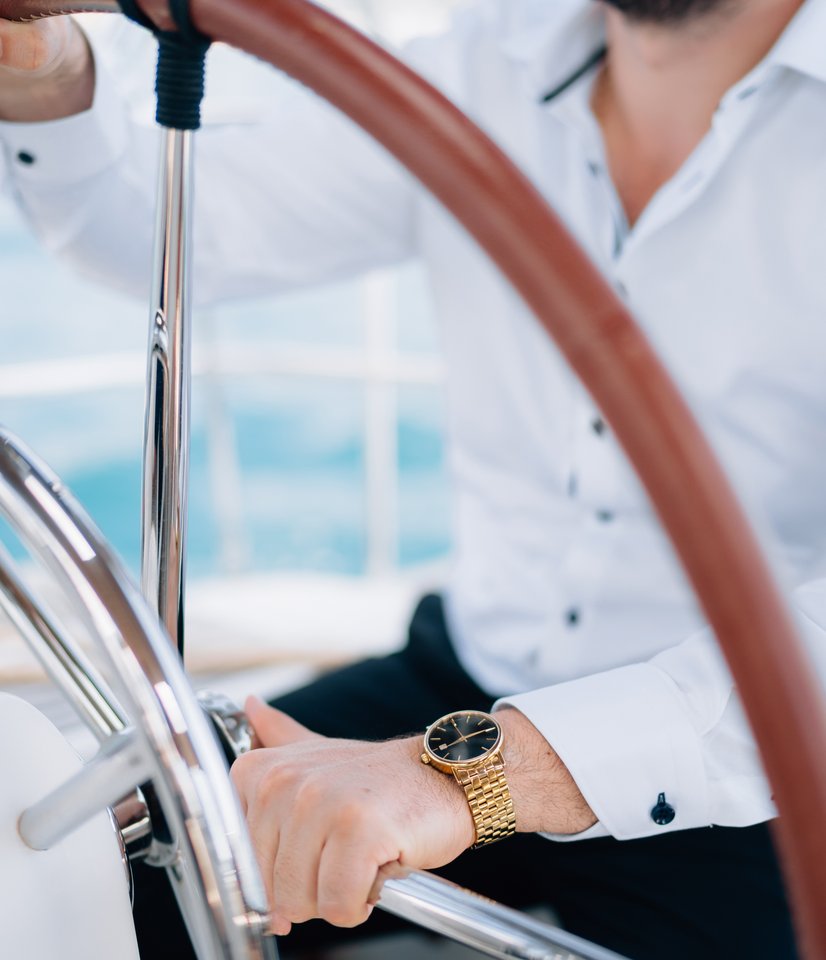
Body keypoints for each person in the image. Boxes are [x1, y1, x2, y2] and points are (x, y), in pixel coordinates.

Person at [1, 0, 824, 956]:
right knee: (59, 892)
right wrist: (47, 72)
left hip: (755, 774)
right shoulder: (479, 69)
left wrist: (477, 781)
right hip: (464, 685)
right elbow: (158, 220)